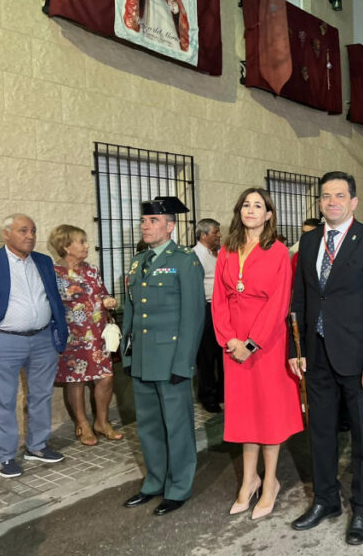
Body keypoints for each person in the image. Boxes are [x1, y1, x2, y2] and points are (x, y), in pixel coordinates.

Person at [289, 171, 363, 546]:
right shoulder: (307, 242)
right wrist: (295, 350)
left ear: (353, 202)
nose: (332, 201)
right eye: (325, 196)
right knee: (320, 434)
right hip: (316, 357)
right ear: (319, 202)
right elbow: (299, 300)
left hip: (359, 361)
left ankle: (362, 509)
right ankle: (326, 500)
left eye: (339, 195)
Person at [213, 188, 303, 520]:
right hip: (232, 342)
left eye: (259, 205)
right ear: (239, 212)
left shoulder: (278, 251)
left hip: (265, 341)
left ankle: (270, 484)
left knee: (267, 412)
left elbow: (280, 302)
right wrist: (229, 339)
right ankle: (248, 480)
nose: (252, 210)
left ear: (268, 215)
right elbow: (220, 299)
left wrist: (251, 342)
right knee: (242, 413)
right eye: (246, 205)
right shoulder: (226, 249)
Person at [122, 196, 205, 516]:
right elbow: (131, 311)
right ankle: (154, 482)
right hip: (142, 358)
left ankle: (179, 486)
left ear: (170, 227)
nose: (146, 225)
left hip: (171, 359)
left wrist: (184, 362)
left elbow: (193, 316)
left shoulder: (185, 260)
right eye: (144, 221)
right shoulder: (137, 261)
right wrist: (127, 355)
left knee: (177, 425)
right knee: (149, 426)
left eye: (153, 221)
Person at [0, 215, 68, 478]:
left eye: (33, 230)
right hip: (5, 340)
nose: (30, 235)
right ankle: (4, 456)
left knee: (41, 395)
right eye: (23, 230)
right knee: (3, 400)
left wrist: (61, 331)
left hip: (42, 340)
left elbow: (53, 298)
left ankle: (36, 446)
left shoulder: (43, 261)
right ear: (7, 234)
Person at [48, 225, 123, 446]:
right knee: (76, 381)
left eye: (85, 241)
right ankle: (82, 423)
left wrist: (109, 300)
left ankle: (102, 422)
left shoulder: (91, 270)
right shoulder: (54, 273)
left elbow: (102, 294)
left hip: (97, 335)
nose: (86, 245)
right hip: (73, 337)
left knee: (106, 377)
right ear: (65, 246)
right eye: (81, 241)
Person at [193, 218, 224, 414]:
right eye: (216, 232)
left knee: (223, 354)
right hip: (206, 310)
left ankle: (223, 392)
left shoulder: (220, 253)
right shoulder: (194, 256)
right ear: (204, 235)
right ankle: (208, 396)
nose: (219, 235)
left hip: (223, 309)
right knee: (206, 356)